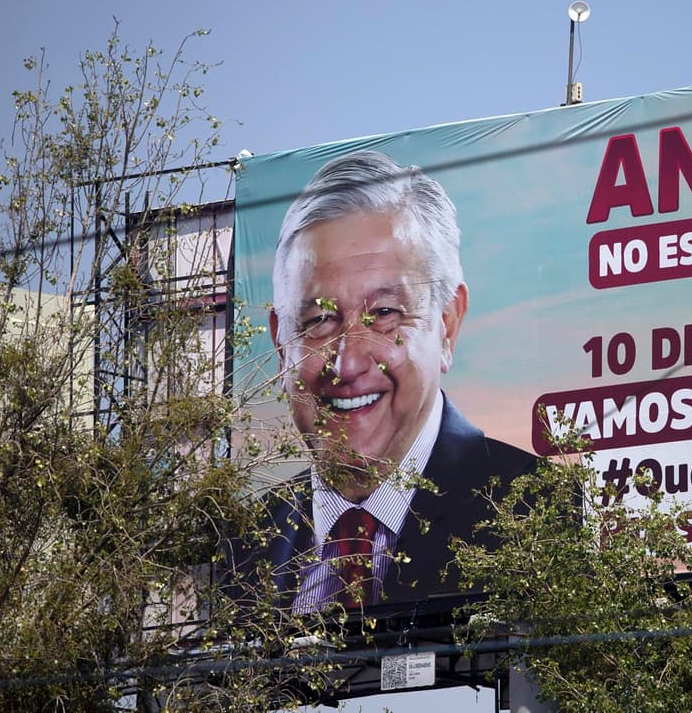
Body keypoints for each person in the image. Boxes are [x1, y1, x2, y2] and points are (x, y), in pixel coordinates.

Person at [226, 149, 537, 614]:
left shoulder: (534, 511)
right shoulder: (240, 552)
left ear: (448, 323)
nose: (347, 363)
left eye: (385, 314)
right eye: (318, 321)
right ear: (279, 342)